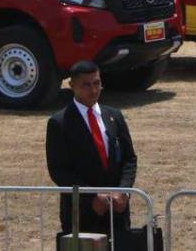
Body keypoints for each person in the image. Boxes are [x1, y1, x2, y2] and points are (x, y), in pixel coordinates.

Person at [46, 60, 137, 242]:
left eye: (97, 83)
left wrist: (123, 191)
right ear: (72, 86)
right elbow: (59, 170)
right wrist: (91, 197)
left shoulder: (114, 116)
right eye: (86, 85)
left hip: (116, 211)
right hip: (82, 212)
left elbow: (129, 159)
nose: (93, 90)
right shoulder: (60, 123)